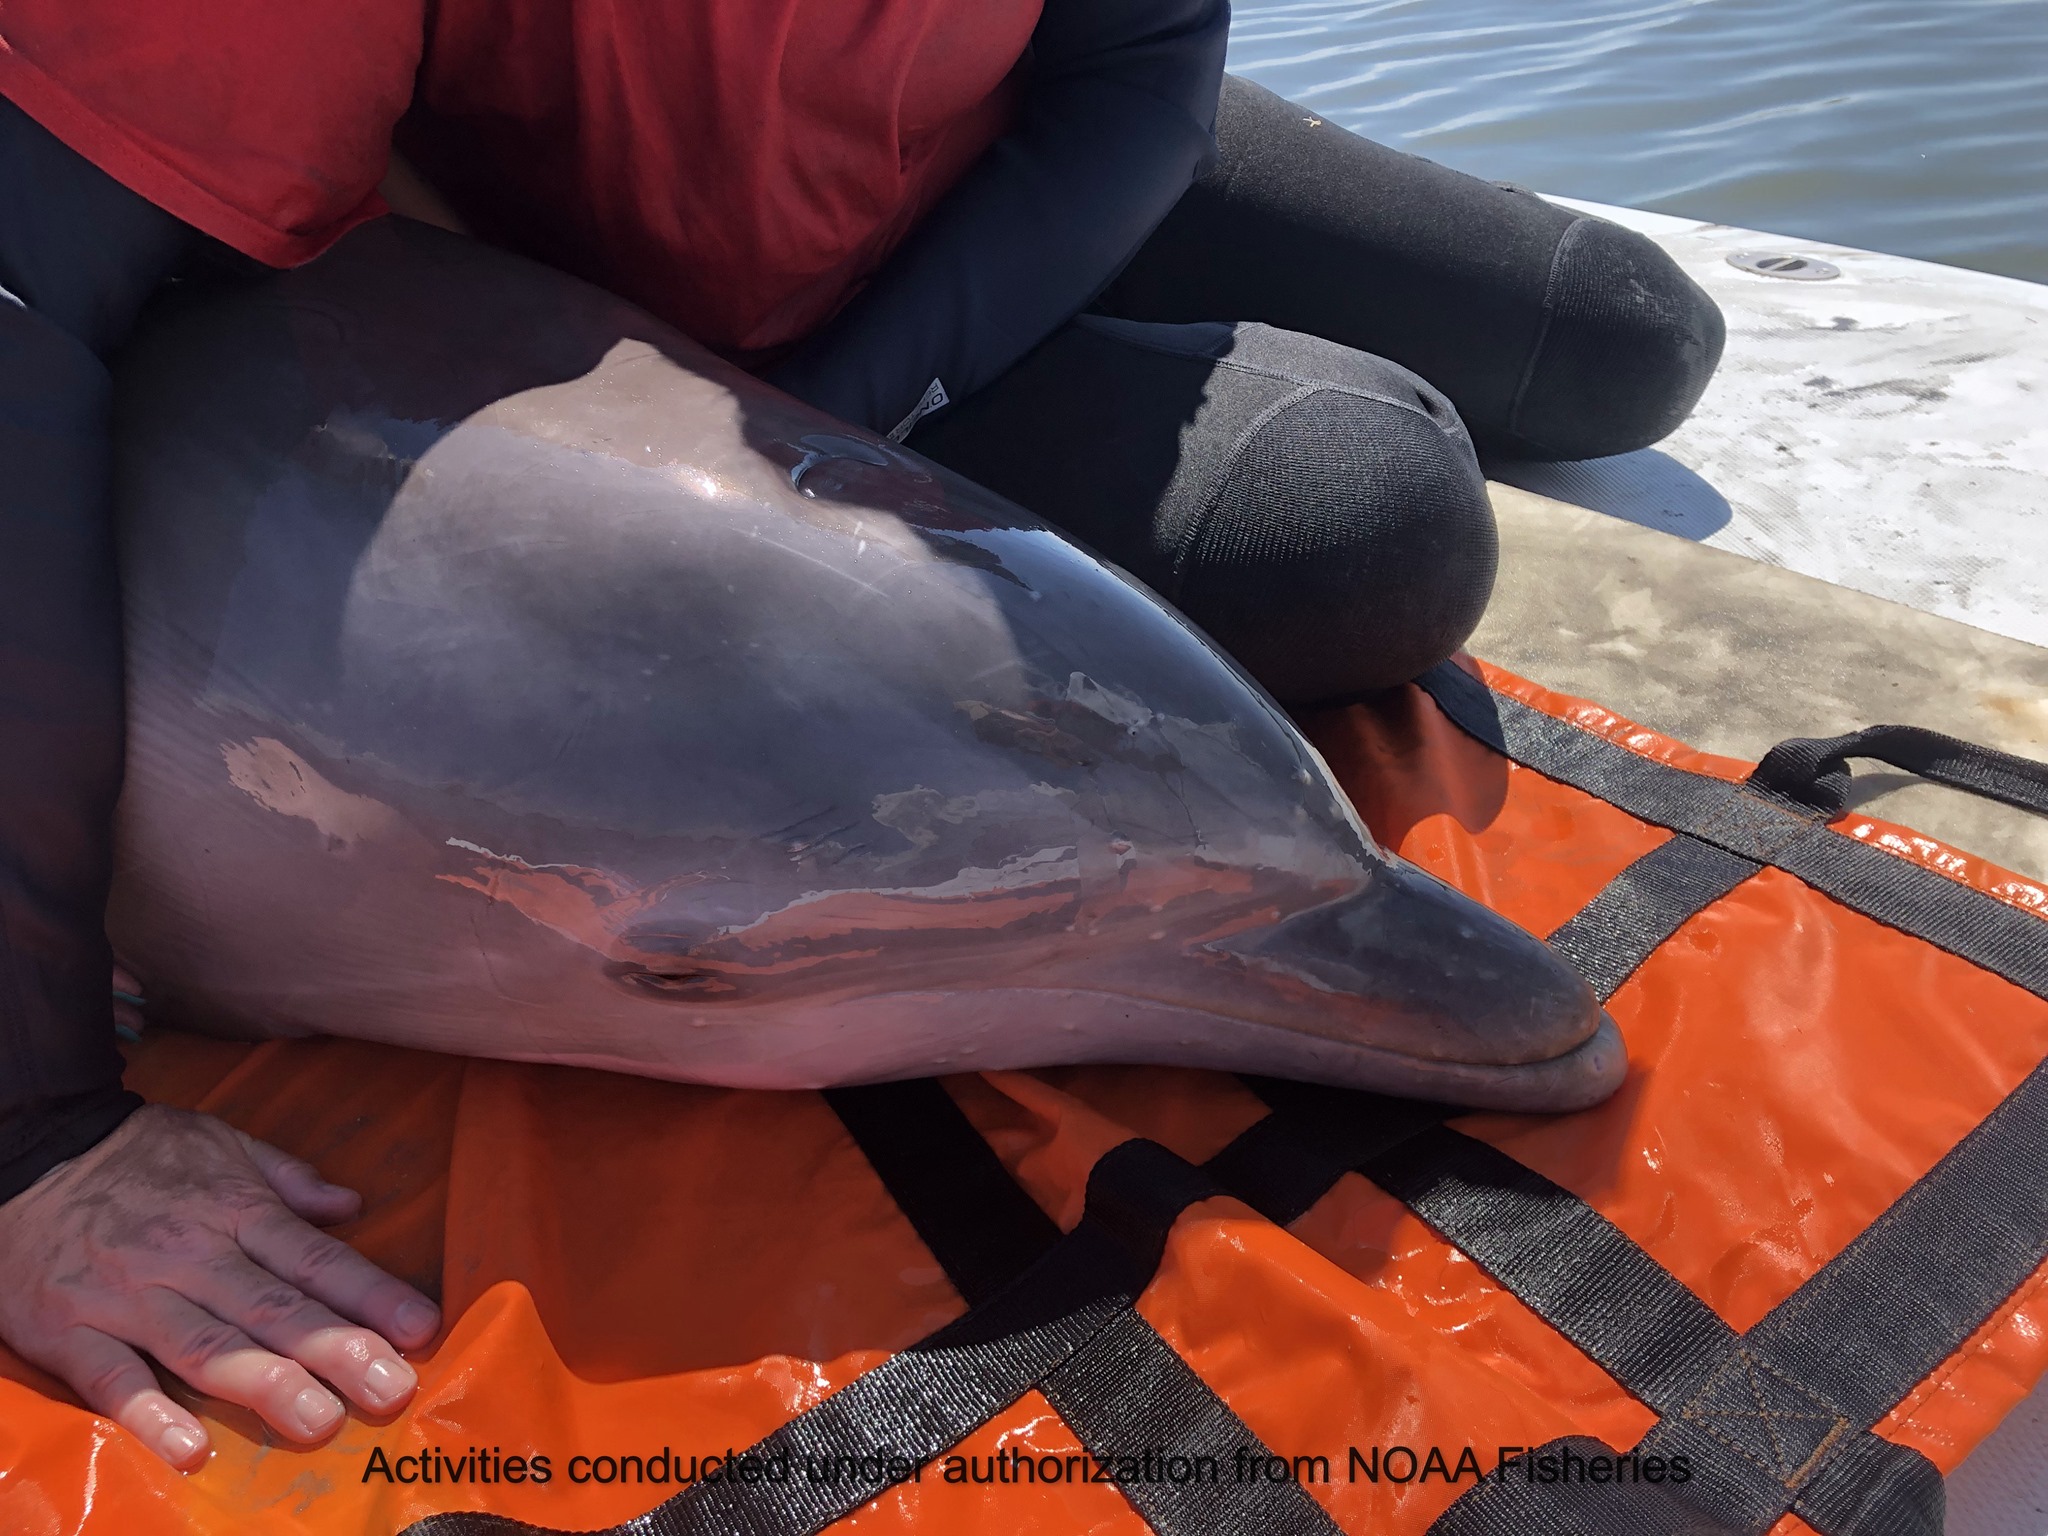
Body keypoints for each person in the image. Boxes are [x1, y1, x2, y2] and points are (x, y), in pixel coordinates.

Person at [0, 0, 1724, 1473]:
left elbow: (1138, 52)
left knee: (1622, 343)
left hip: (919, 210)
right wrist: (30, 1131)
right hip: (565, 282)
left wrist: (835, 426)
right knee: (1365, 510)